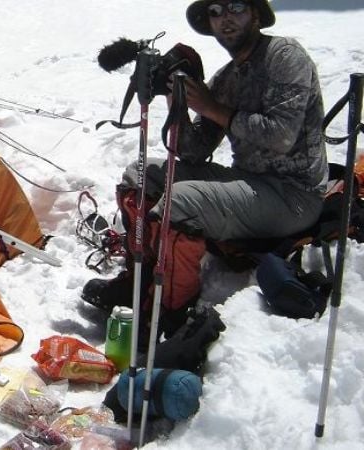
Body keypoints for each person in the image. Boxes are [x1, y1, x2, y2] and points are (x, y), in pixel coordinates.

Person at [83, 0, 327, 337]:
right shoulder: (226, 78)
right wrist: (176, 98)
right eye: (215, 11)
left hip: (293, 195)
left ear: (256, 14)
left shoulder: (284, 56)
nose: (225, 18)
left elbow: (281, 135)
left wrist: (211, 107)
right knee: (140, 175)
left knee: (181, 201)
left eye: (236, 7)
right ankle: (138, 282)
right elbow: (193, 151)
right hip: (249, 183)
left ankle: (168, 310)